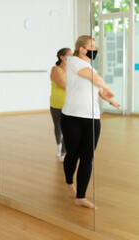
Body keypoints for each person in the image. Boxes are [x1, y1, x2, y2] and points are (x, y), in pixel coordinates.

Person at [61, 35, 120, 209]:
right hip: (72, 117)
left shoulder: (89, 66)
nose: (95, 49)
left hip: (92, 118)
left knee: (87, 157)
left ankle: (81, 196)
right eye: (92, 46)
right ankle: (69, 182)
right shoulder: (74, 62)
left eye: (95, 46)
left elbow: (96, 86)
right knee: (73, 154)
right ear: (82, 49)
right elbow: (95, 79)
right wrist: (108, 88)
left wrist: (109, 99)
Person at [50, 48, 72, 162]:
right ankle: (59, 145)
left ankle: (64, 153)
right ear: (62, 57)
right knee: (57, 127)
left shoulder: (72, 70)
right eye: (69, 55)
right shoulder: (55, 69)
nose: (71, 57)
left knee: (67, 129)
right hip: (56, 103)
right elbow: (63, 85)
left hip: (68, 103)